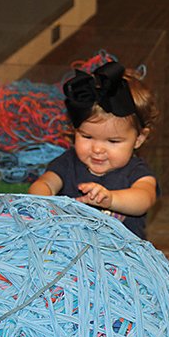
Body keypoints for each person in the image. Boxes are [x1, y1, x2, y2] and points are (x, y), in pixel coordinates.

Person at [29, 61, 159, 239]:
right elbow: (43, 184)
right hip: (70, 249)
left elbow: (144, 199)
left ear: (139, 139)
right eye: (87, 137)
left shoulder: (136, 172)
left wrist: (111, 199)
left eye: (113, 141)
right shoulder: (68, 163)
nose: (97, 149)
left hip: (121, 257)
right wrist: (44, 202)